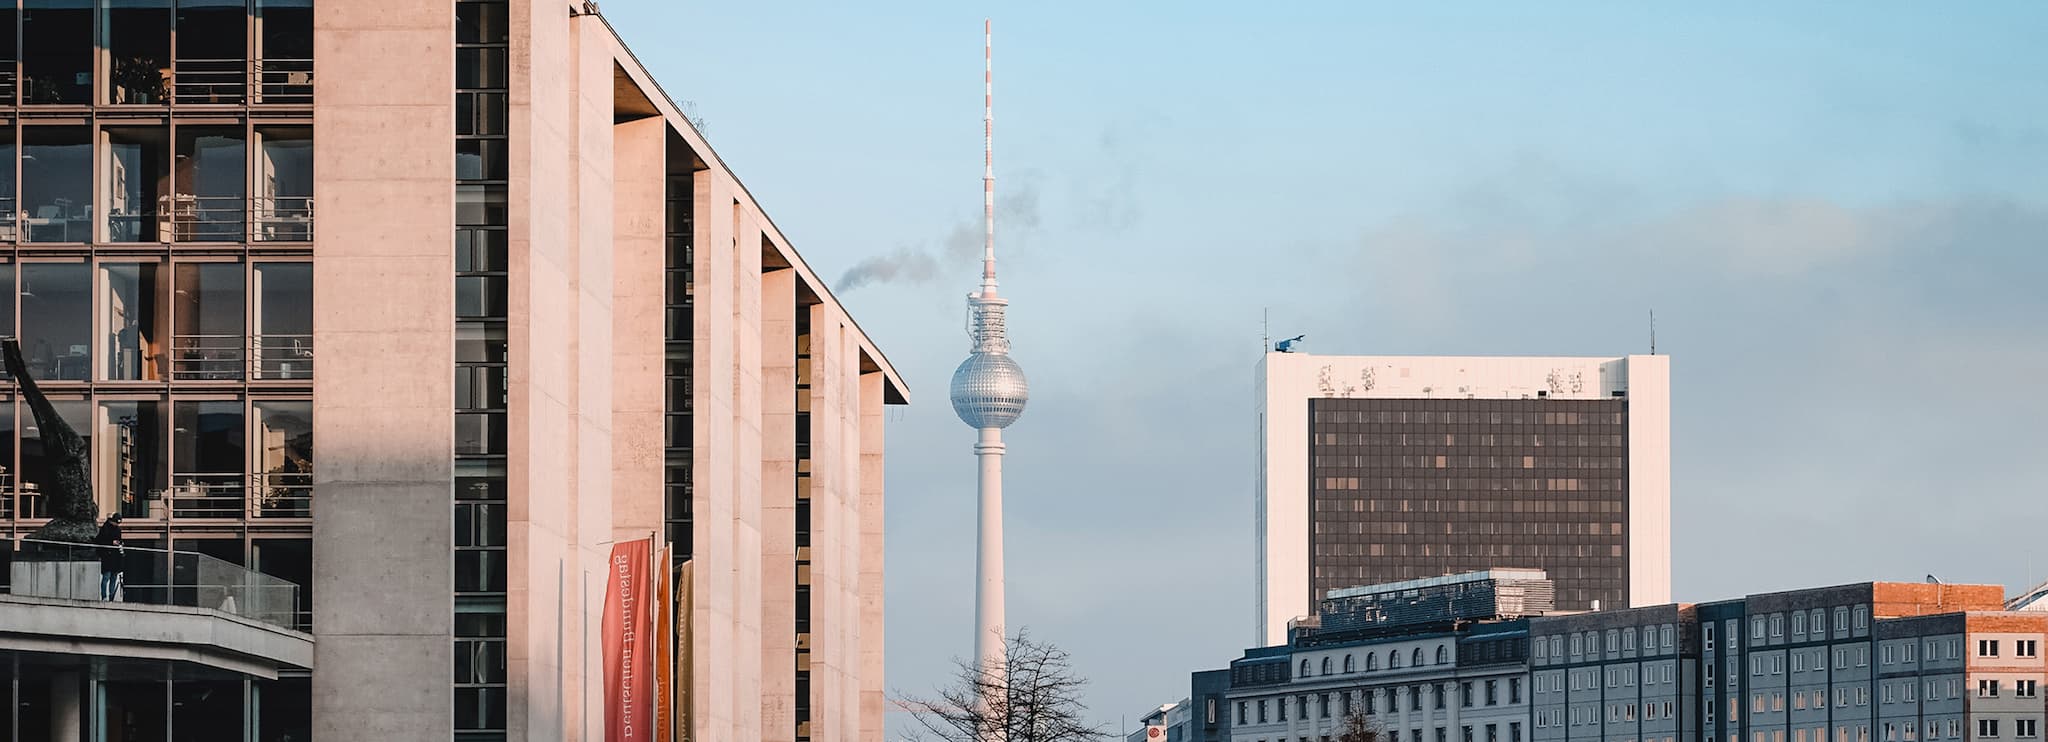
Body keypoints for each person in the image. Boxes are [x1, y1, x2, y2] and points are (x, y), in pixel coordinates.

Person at [95, 513, 125, 600]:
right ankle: (104, 596)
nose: (117, 525)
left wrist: (120, 543)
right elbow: (101, 540)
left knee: (113, 577)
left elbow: (119, 540)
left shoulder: (118, 529)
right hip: (107, 556)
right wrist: (111, 542)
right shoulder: (105, 528)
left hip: (115, 556)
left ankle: (111, 596)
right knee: (106, 577)